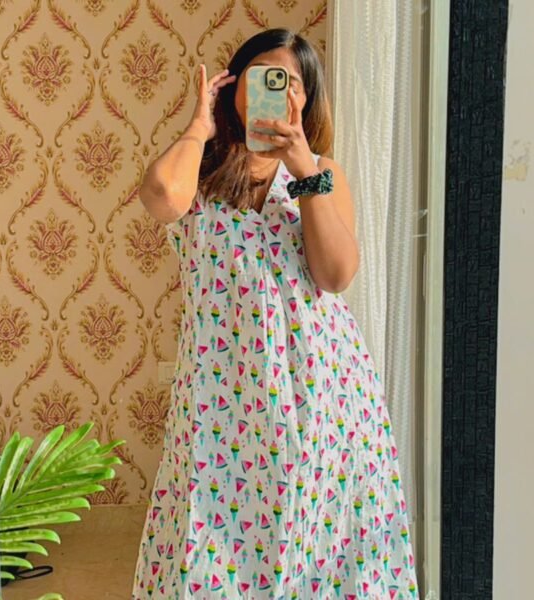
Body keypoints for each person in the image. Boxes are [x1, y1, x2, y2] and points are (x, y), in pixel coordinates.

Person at [132, 28, 418, 600]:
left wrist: (302, 163)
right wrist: (200, 125)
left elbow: (335, 275)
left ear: (306, 98)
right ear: (235, 85)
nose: (276, 89)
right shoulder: (201, 170)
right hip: (224, 399)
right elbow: (161, 197)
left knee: (319, 539)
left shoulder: (321, 174)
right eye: (263, 74)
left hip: (322, 392)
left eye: (290, 81)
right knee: (214, 541)